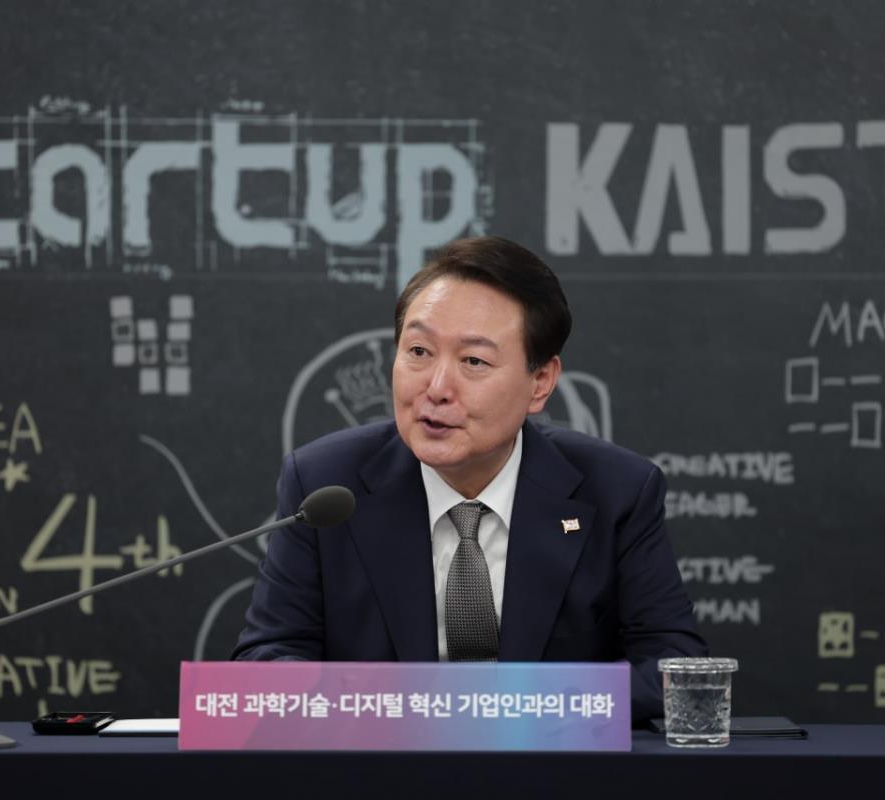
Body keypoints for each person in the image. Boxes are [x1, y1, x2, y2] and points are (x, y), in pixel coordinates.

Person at [232, 235, 706, 723]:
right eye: (418, 351)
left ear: (540, 382)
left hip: (545, 760)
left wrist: (519, 704)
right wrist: (401, 706)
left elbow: (676, 669)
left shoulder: (616, 491)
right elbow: (266, 659)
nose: (436, 388)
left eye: (474, 361)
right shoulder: (324, 483)